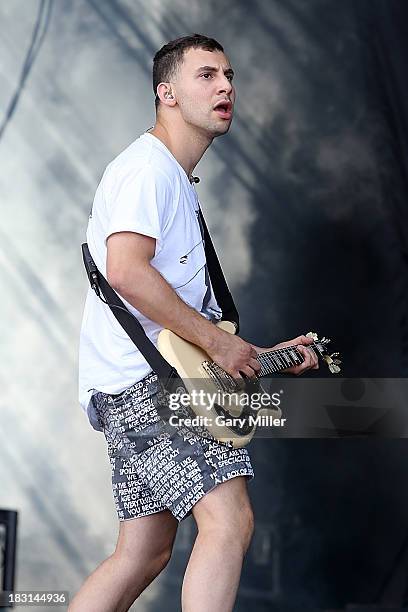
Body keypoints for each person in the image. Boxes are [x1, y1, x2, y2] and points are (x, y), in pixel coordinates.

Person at [70, 33, 318, 612]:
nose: (226, 86)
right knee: (229, 524)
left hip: (132, 383)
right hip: (147, 386)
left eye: (229, 75)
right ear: (167, 93)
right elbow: (126, 272)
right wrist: (218, 345)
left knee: (145, 551)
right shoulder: (148, 171)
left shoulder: (170, 177)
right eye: (207, 75)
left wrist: (251, 352)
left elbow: (180, 316)